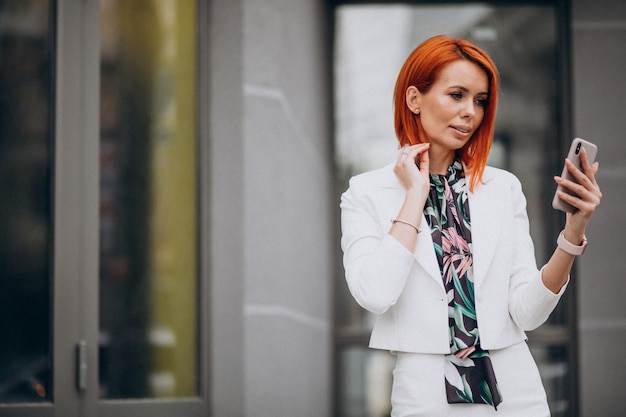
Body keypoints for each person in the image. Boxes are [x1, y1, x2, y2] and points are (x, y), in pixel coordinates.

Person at [340, 35, 602, 416]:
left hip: (515, 390)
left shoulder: (503, 187)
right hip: (424, 393)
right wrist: (416, 194)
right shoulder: (365, 192)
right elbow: (375, 294)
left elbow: (528, 312)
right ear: (414, 99)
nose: (470, 112)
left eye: (480, 101)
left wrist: (572, 233)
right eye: (457, 95)